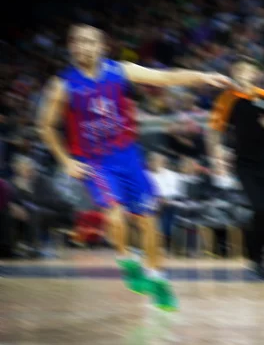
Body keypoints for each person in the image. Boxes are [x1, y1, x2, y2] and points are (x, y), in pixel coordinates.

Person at [37, 23, 234, 311]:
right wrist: (66, 160)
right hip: (95, 162)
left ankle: (158, 280)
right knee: (115, 216)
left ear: (101, 46)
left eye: (90, 41)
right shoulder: (63, 85)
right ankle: (126, 259)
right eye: (77, 42)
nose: (83, 46)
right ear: (71, 47)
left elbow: (166, 78)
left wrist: (203, 76)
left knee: (149, 221)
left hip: (128, 156)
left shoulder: (120, 70)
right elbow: (45, 125)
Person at [207, 56, 264, 280]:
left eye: (248, 69)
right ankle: (258, 260)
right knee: (260, 208)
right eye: (239, 69)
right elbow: (214, 129)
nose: (243, 73)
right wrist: (216, 153)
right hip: (243, 163)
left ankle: (259, 254)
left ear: (255, 74)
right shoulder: (227, 99)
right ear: (234, 73)